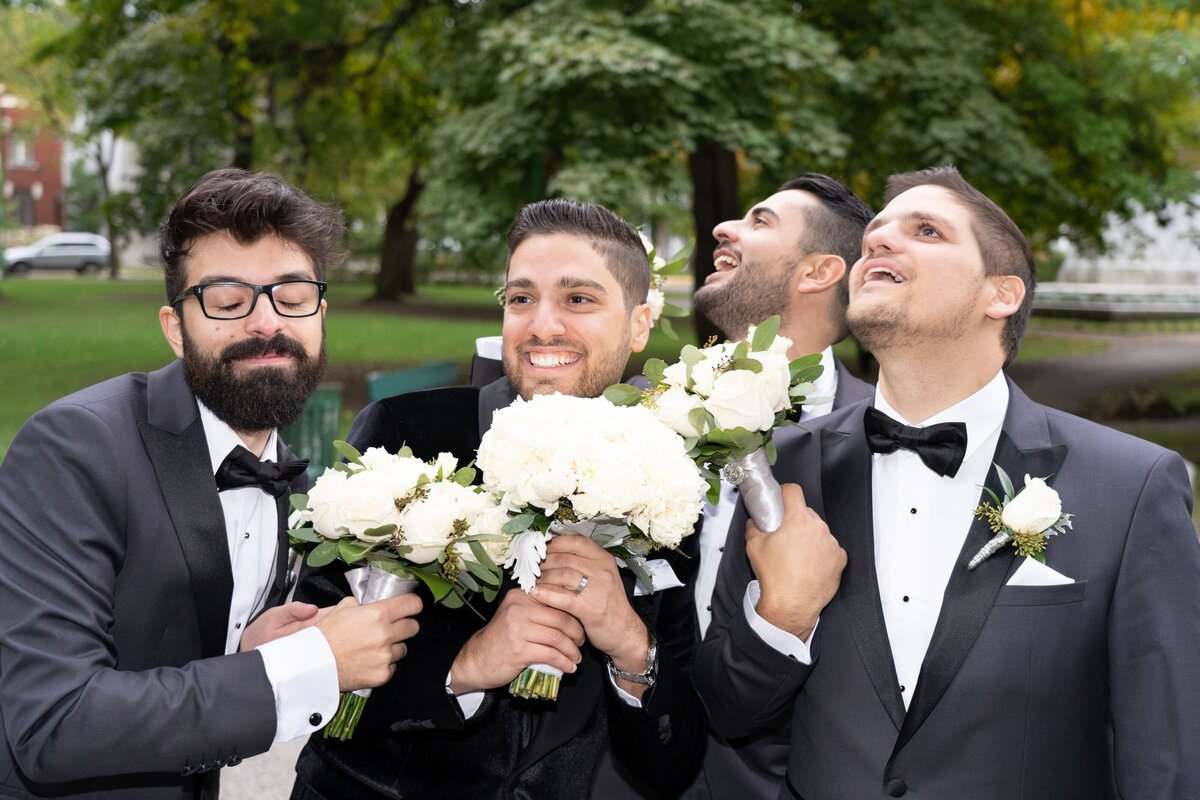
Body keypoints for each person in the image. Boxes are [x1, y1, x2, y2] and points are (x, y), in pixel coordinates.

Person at [692, 165, 1200, 799]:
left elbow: (1166, 758)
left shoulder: (1131, 485)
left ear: (1001, 294)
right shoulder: (784, 466)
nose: (877, 242)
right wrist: (783, 617)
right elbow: (726, 710)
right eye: (874, 234)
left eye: (926, 230)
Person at [0, 169, 423, 800]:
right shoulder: (75, 447)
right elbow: (55, 723)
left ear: (320, 314)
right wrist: (307, 666)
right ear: (175, 328)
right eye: (228, 301)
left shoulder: (273, 459)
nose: (265, 321)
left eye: (292, 294)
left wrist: (244, 654)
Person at [290, 198, 706, 800]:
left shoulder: (664, 480)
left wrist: (629, 645)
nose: (542, 325)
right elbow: (307, 667)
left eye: (578, 299)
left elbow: (672, 761)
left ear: (639, 323)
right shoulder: (406, 435)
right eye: (521, 298)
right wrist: (466, 667)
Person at [593, 173, 875, 799]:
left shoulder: (884, 444)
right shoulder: (637, 412)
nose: (724, 228)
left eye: (761, 221)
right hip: (625, 770)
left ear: (818, 272)